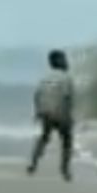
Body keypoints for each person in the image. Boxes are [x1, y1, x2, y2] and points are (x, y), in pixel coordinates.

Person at [27, 49, 76, 181]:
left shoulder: (44, 78)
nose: (67, 62)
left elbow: (37, 95)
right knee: (67, 141)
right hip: (59, 112)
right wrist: (69, 117)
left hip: (45, 111)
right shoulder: (66, 78)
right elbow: (67, 98)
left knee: (44, 137)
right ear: (60, 62)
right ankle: (65, 169)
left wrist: (38, 112)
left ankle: (33, 162)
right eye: (64, 59)